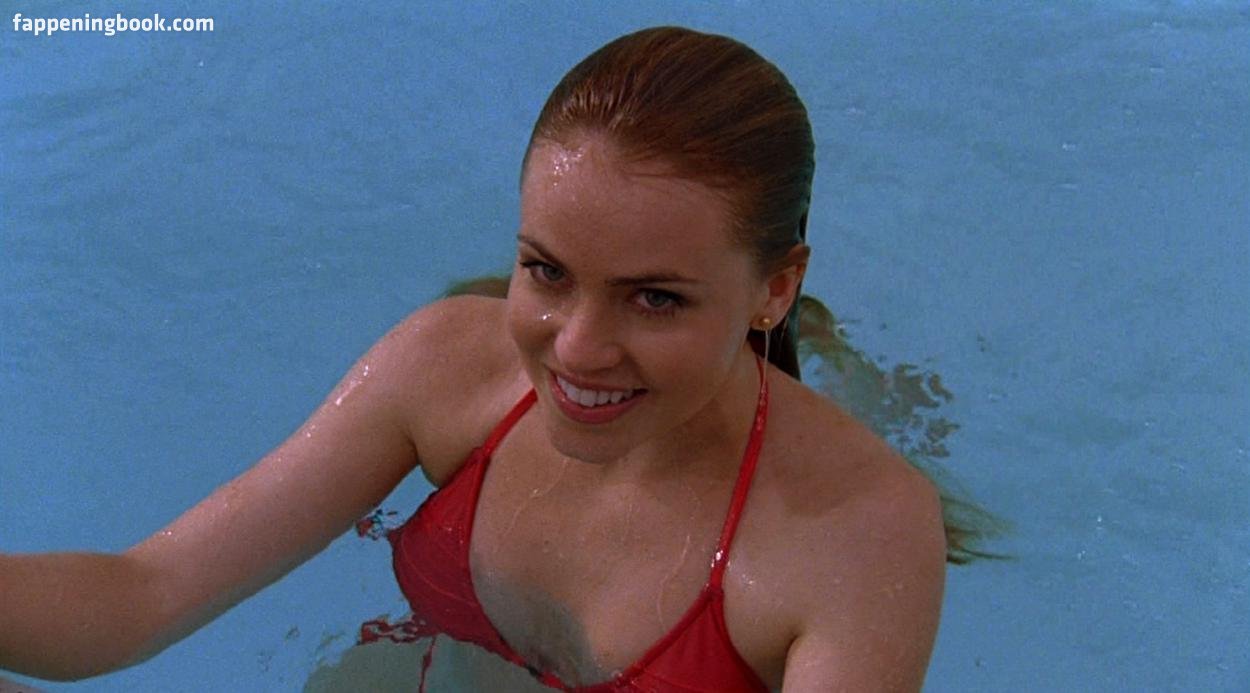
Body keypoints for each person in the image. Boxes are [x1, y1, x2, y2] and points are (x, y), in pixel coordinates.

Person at [2, 26, 961, 691]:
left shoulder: (858, 535)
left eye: (655, 297)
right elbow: (142, 595)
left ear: (773, 287)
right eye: (547, 271)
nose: (574, 348)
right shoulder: (451, 365)